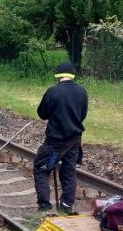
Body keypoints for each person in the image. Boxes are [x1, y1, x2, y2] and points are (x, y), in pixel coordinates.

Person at [34, 61, 88, 214]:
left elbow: (42, 114)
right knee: (69, 171)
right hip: (74, 142)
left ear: (58, 76)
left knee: (42, 169)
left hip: (55, 143)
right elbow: (82, 114)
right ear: (72, 75)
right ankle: (66, 206)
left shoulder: (53, 92)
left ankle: (45, 207)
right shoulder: (82, 91)